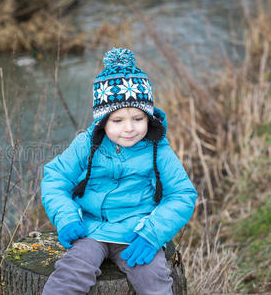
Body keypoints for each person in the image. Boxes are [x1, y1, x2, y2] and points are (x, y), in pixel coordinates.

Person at [41, 48, 197, 294]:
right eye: (117, 120)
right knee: (70, 274)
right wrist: (66, 217)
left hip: (137, 233)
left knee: (154, 278)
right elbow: (55, 178)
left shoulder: (158, 150)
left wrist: (153, 233)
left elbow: (182, 194)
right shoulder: (87, 144)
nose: (129, 129)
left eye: (138, 118)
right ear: (103, 120)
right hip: (90, 230)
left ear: (149, 117)